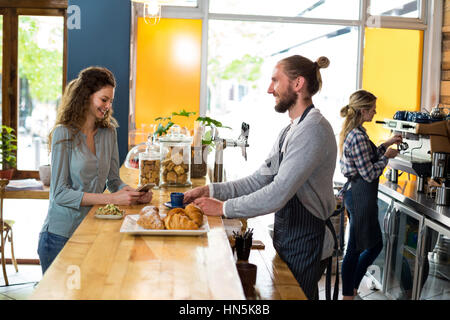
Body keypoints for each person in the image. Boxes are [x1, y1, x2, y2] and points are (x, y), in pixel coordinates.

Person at [184, 55, 338, 300]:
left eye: (275, 81)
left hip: (307, 240)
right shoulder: (291, 130)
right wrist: (210, 191)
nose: (269, 89)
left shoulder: (313, 130)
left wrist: (224, 208)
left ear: (297, 84)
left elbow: (277, 193)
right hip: (290, 238)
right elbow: (260, 180)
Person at [37, 66, 152, 274]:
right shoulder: (64, 134)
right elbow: (59, 193)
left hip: (91, 229)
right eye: (103, 99)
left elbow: (113, 180)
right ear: (86, 96)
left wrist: (132, 193)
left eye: (110, 101)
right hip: (59, 237)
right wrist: (112, 199)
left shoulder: (109, 133)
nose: (108, 106)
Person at [339, 89, 402, 300]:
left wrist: (388, 143)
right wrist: (387, 157)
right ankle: (348, 293)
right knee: (357, 249)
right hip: (359, 196)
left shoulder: (358, 132)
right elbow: (368, 173)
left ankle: (352, 288)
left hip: (359, 196)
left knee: (370, 245)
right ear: (364, 110)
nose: (375, 112)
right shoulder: (357, 136)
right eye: (373, 109)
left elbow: (367, 156)